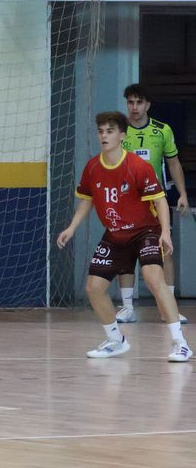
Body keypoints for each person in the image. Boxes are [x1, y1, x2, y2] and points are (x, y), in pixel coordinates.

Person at [56, 110, 190, 363]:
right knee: (94, 288)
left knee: (153, 278)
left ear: (121, 135)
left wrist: (165, 232)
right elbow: (87, 201)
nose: (104, 136)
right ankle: (116, 341)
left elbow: (160, 200)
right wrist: (72, 227)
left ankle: (180, 343)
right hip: (115, 235)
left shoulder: (137, 167)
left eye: (109, 131)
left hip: (145, 231)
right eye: (101, 131)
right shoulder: (93, 167)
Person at [117, 82, 188, 323]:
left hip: (154, 202)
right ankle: (127, 308)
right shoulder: (118, 130)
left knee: (165, 250)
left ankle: (167, 308)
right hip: (126, 201)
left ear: (148, 105)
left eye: (139, 102)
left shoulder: (162, 130)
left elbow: (173, 163)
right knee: (125, 252)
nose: (134, 107)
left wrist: (183, 194)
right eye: (130, 102)